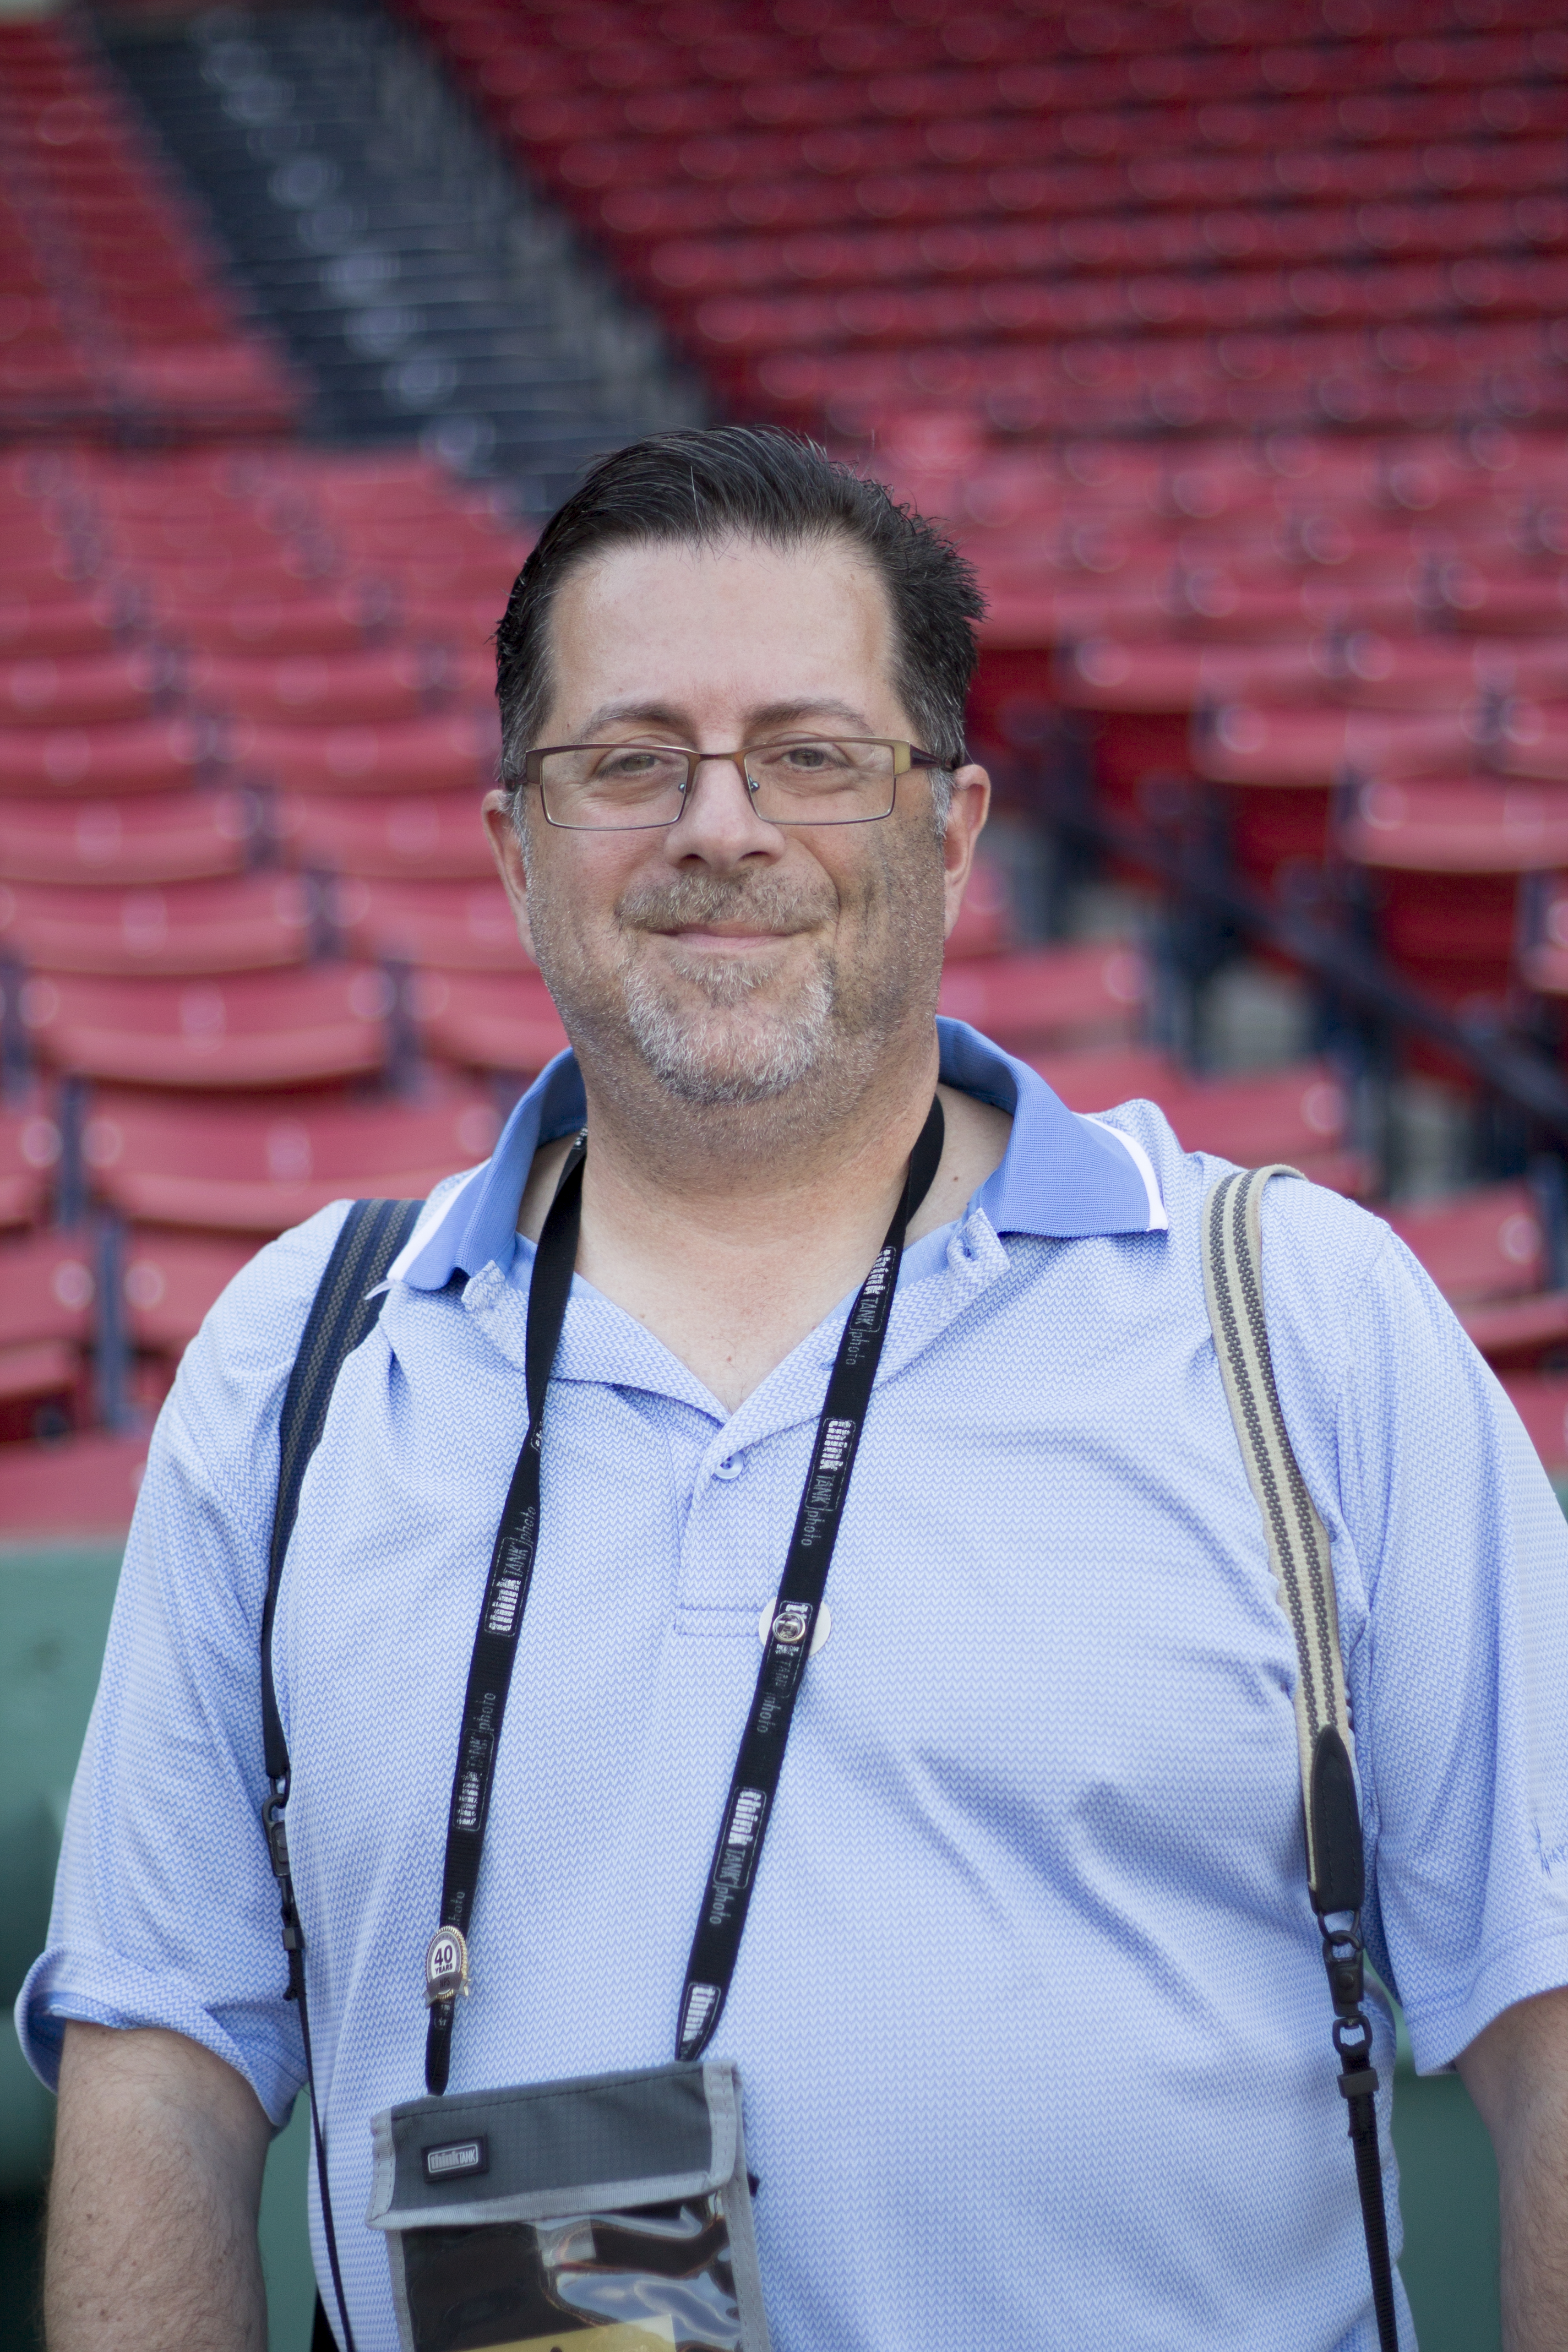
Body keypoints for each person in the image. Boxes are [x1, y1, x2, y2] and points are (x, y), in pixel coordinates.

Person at [21, 425, 1568, 2352]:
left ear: (954, 829)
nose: (721, 826)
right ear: (517, 847)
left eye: (814, 756)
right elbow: (162, 2071)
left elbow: (1552, 2028)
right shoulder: (298, 1361)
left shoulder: (1300, 1320)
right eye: (629, 760)